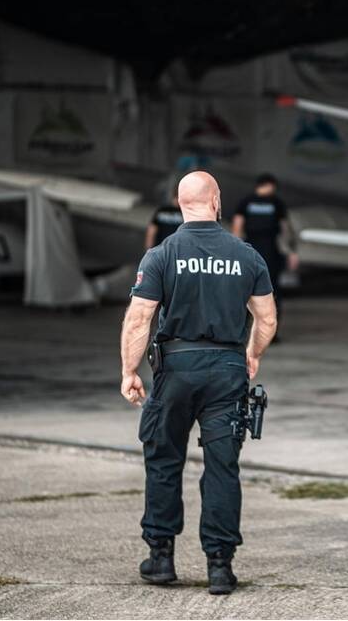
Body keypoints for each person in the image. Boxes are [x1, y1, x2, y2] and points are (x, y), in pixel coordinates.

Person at [120, 171, 277, 595]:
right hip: (227, 371)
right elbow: (267, 318)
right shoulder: (247, 256)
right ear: (217, 201)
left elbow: (140, 317)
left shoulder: (162, 254)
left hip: (175, 369)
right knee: (222, 466)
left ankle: (161, 558)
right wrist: (253, 354)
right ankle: (220, 567)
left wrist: (129, 371)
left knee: (164, 459)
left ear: (179, 201)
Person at [232, 173, 299, 310]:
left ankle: (248, 327)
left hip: (251, 248)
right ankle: (270, 328)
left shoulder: (246, 202)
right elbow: (285, 229)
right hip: (270, 249)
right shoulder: (276, 202)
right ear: (271, 185)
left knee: (247, 287)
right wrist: (292, 251)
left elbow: (237, 227)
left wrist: (235, 250)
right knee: (271, 289)